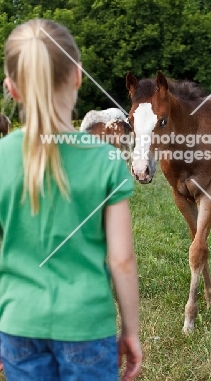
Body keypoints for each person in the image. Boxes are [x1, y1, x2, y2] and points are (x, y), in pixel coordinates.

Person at [0, 19, 142, 380]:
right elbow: (122, 259)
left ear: (11, 88)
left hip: (18, 325)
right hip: (88, 326)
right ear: (78, 76)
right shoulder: (107, 160)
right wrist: (131, 331)